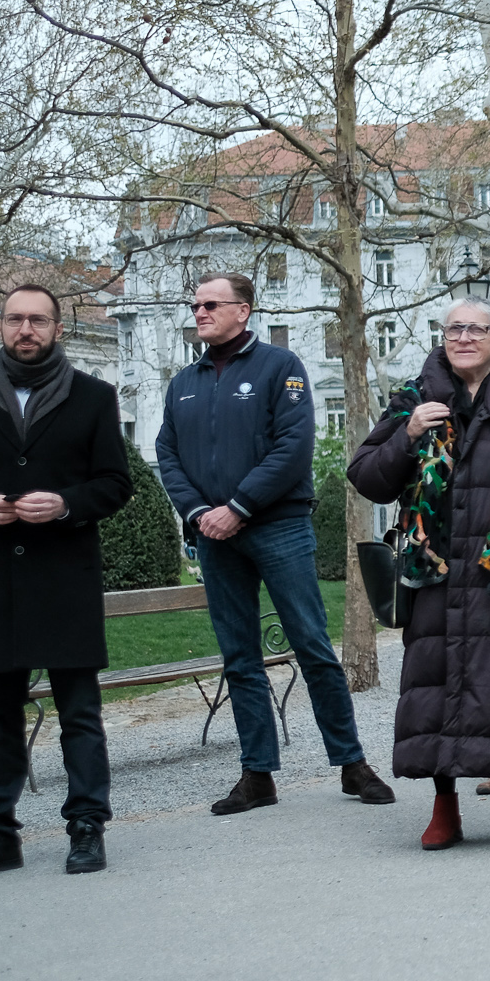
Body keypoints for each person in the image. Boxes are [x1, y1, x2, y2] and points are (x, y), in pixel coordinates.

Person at [348, 297, 490, 849]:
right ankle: (443, 806)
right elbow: (367, 476)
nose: (464, 338)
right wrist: (407, 436)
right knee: (435, 691)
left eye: (476, 329)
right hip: (436, 577)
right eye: (454, 328)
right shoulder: (415, 398)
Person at [156, 272, 394, 814]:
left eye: (211, 304)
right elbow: (167, 454)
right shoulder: (181, 383)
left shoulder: (281, 368)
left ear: (243, 311)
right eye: (195, 305)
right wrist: (199, 513)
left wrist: (237, 508)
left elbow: (293, 448)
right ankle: (256, 776)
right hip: (213, 536)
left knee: (312, 646)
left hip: (277, 526)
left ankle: (352, 765)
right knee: (239, 657)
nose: (200, 312)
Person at [0, 284, 133, 879]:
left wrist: (67, 503)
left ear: (57, 329)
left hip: (65, 574)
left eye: (38, 320)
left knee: (79, 711)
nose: (26, 329)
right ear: (1, 327)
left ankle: (87, 828)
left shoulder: (94, 397)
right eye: (15, 320)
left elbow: (116, 483)